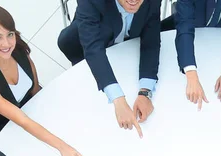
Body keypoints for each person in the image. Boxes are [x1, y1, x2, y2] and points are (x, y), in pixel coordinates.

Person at [0, 5, 87, 156]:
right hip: (10, 122)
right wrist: (62, 146)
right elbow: (22, 120)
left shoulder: (15, 45)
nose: (6, 44)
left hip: (32, 103)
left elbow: (35, 84)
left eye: (9, 34)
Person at [58, 0, 161, 137]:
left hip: (127, 48)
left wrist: (145, 91)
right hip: (87, 46)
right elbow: (93, 49)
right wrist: (118, 99)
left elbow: (151, 41)